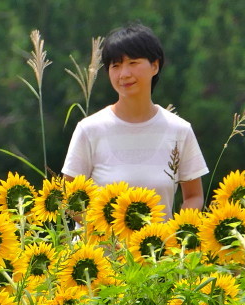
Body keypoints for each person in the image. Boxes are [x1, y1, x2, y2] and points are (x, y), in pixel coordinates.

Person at [62, 23, 209, 219]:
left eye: (132, 63)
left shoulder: (179, 130)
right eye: (115, 66)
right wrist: (103, 233)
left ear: (155, 66)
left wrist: (176, 232)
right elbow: (69, 197)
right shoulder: (90, 130)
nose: (124, 74)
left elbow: (194, 196)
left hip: (157, 248)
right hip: (99, 248)